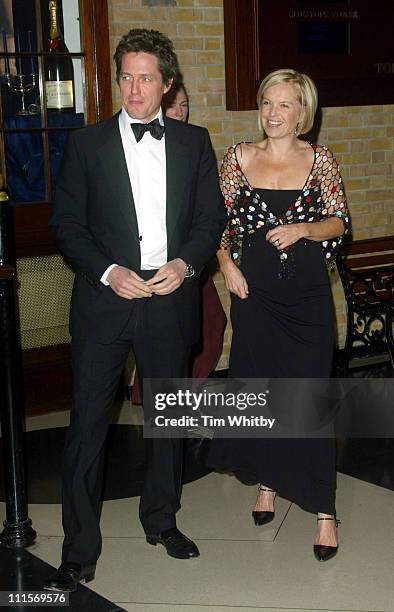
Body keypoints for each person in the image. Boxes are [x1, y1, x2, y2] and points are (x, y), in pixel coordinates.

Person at [44, 28, 226, 592]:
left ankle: (162, 520)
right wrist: (108, 271)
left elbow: (208, 221)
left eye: (146, 77)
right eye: (126, 76)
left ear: (167, 84)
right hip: (105, 302)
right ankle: (79, 548)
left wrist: (186, 265)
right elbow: (66, 225)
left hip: (169, 302)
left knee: (167, 423)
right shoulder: (86, 144)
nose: (134, 88)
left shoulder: (195, 143)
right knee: (88, 427)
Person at [208, 68, 350, 562]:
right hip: (256, 297)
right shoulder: (238, 158)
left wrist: (304, 229)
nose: (273, 113)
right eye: (267, 102)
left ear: (302, 112)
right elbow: (216, 225)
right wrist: (227, 266)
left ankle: (324, 511)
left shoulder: (321, 161)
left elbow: (339, 221)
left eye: (284, 104)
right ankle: (267, 482)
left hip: (308, 299)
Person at [131, 80, 226, 404]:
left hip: (190, 261)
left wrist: (191, 259)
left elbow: (210, 213)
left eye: (185, 105)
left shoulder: (195, 143)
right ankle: (161, 402)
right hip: (145, 270)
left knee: (206, 327)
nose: (180, 112)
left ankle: (183, 403)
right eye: (174, 106)